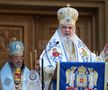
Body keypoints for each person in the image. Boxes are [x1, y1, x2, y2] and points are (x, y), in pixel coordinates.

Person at [40, 4, 108, 90]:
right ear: (59, 29)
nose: (67, 30)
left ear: (74, 29)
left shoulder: (80, 47)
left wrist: (104, 54)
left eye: (70, 27)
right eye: (64, 27)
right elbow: (44, 68)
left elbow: (94, 63)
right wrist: (54, 72)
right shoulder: (52, 47)